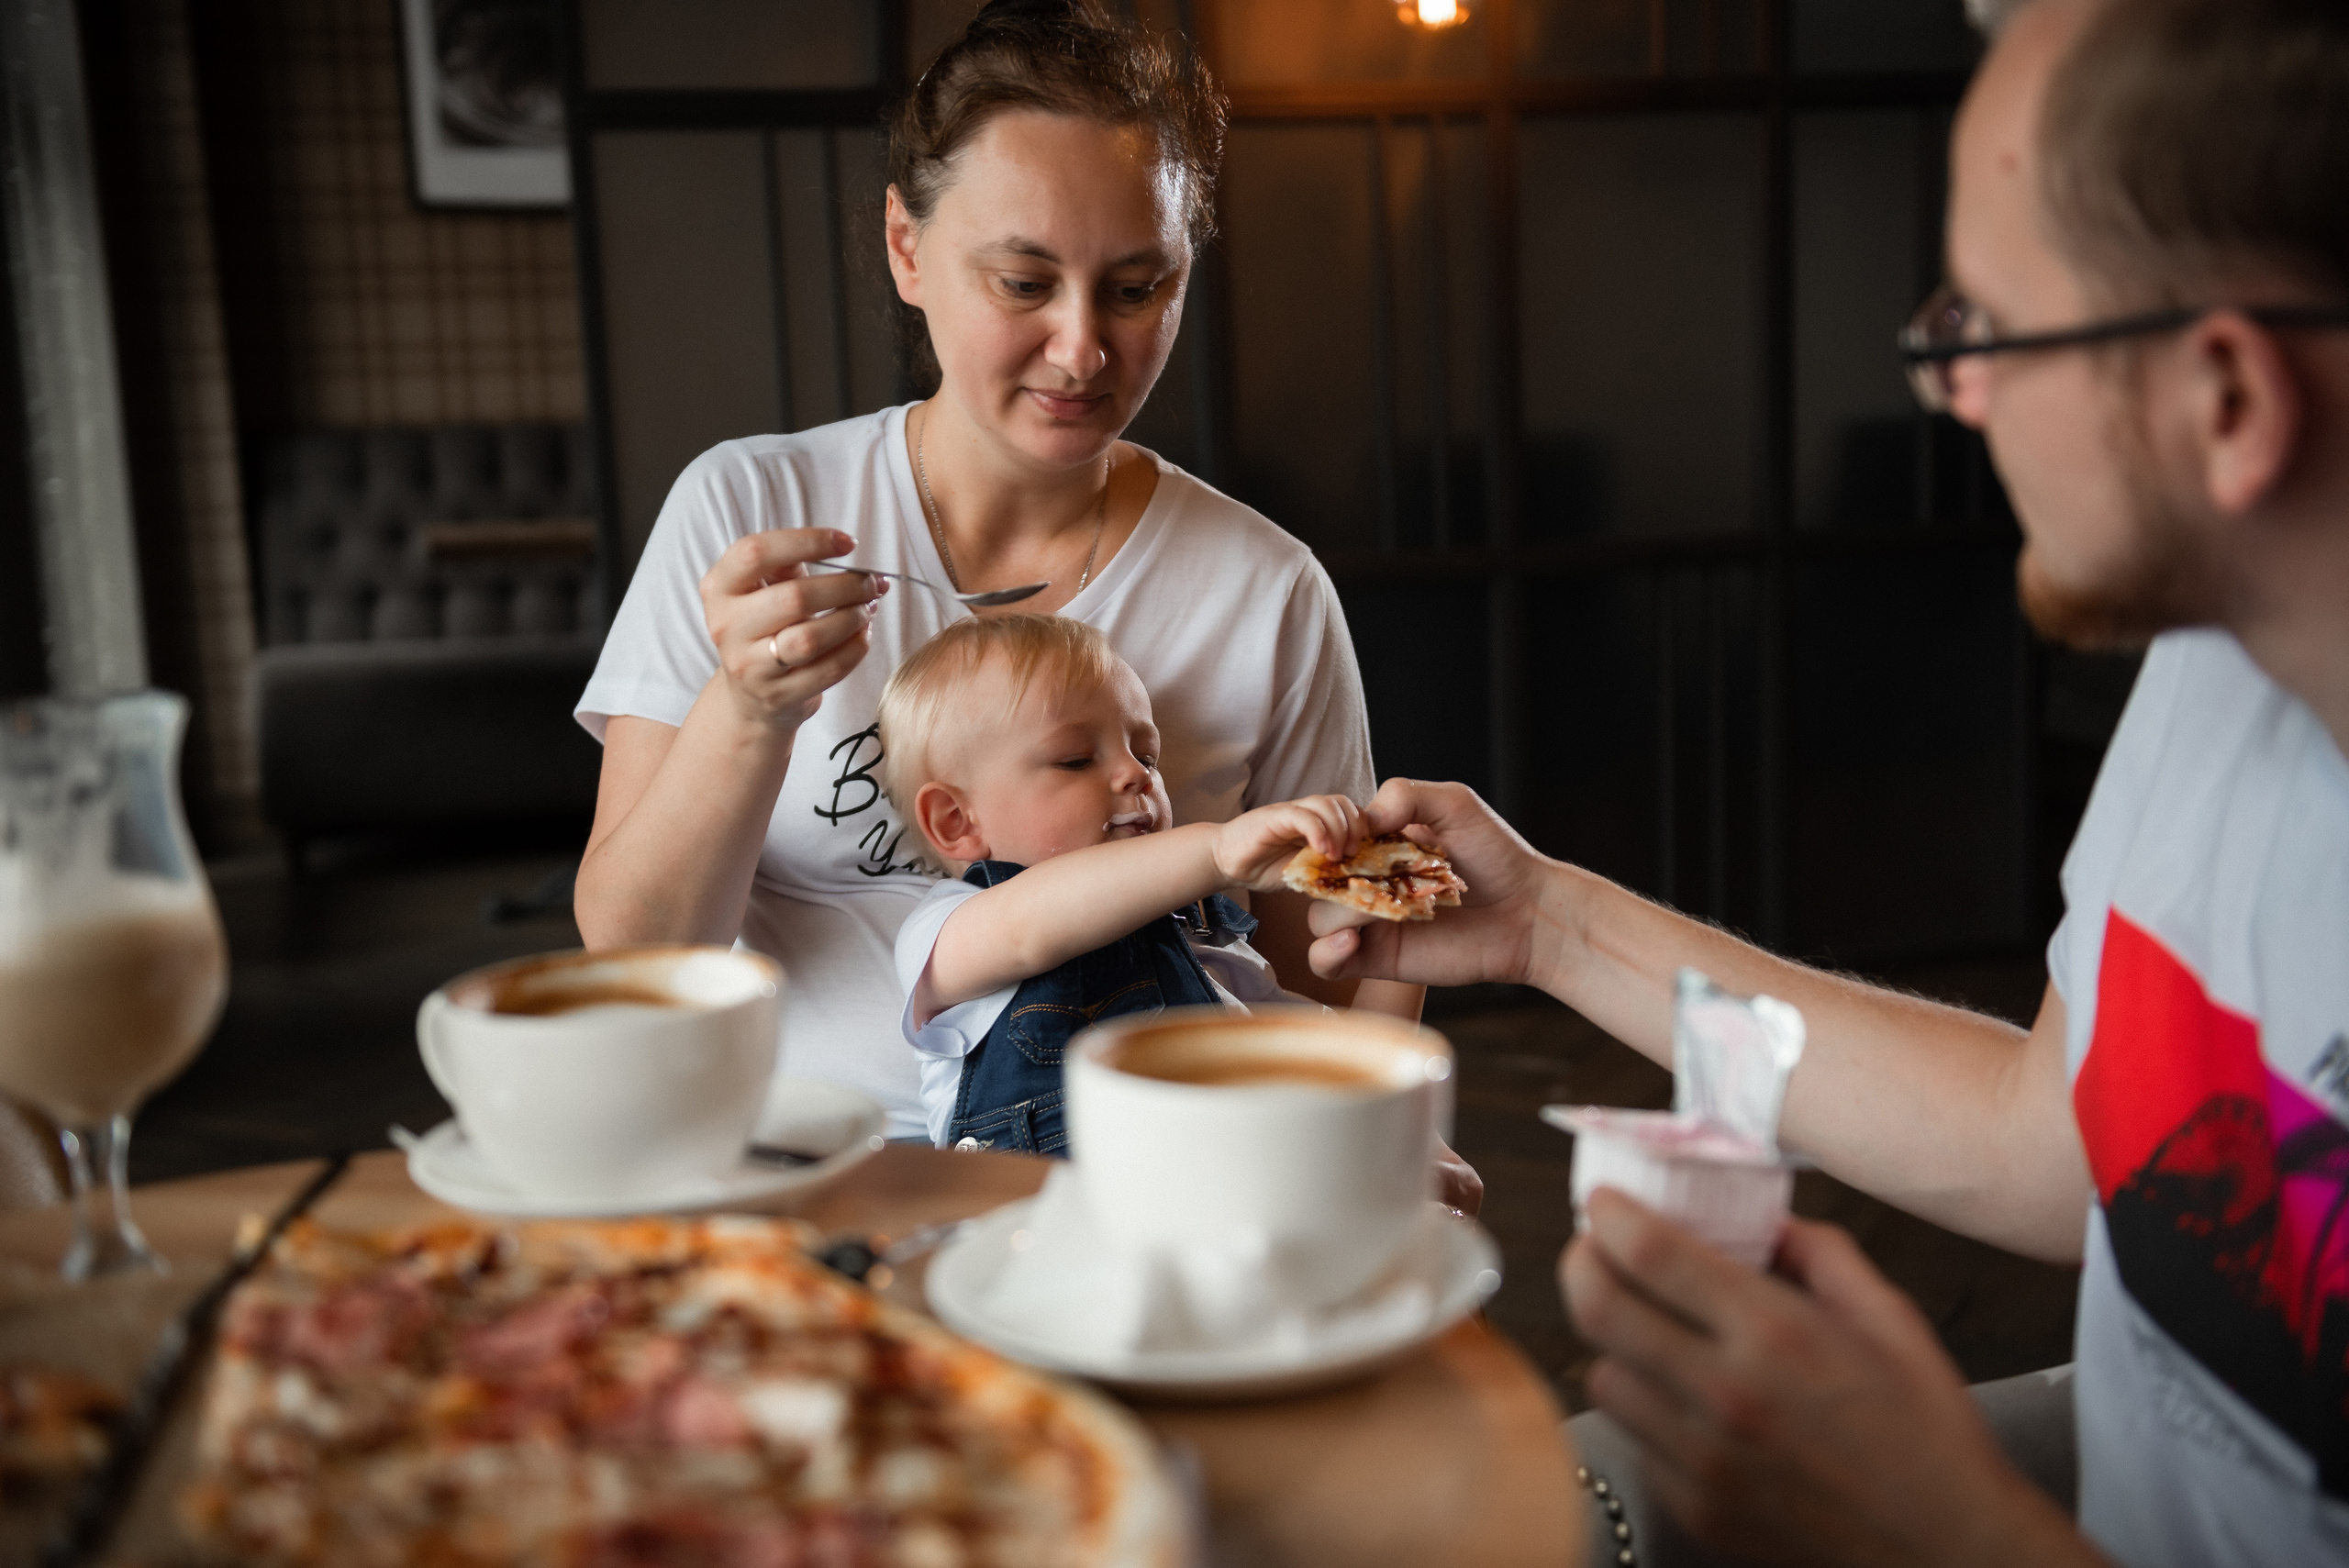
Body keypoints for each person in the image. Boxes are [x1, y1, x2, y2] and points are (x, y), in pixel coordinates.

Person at [1305, 0, 2349, 1563]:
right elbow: (2056, 1136)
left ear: (2228, 402)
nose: (1952, 391)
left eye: (1985, 329)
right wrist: (1553, 926)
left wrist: (1935, 1516)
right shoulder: (2220, 666)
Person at [571, 0, 1450, 1191]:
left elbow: (1327, 980)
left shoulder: (1264, 589)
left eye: (1137, 287)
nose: (1083, 348)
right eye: (1024, 281)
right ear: (907, 248)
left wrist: (1381, 1104)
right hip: (778, 1168)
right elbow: (633, 951)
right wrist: (750, 708)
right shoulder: (752, 511)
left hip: (1144, 1191)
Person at [877, 613, 1364, 1152]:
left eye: (1146, 755)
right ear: (956, 821)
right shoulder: (947, 927)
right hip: (1035, 1219)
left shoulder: (1195, 932)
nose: (1138, 774)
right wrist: (1216, 849)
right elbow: (1027, 927)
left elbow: (1310, 1051)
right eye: (1075, 760)